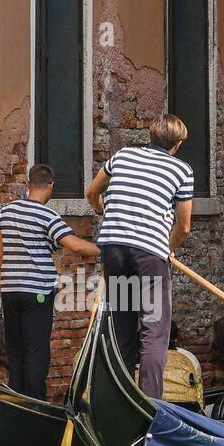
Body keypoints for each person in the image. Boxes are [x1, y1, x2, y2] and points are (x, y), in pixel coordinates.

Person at [85, 114, 194, 398]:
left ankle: (119, 400)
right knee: (154, 331)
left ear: (151, 135)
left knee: (122, 326)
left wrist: (102, 209)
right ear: (178, 144)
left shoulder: (122, 156)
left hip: (114, 251)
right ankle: (150, 407)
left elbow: (92, 192)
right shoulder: (181, 170)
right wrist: (167, 248)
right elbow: (183, 227)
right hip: (150, 256)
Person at [0, 164, 100, 400]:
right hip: (38, 292)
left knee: (15, 349)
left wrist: (11, 275)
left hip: (10, 289)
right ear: (51, 185)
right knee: (36, 350)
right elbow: (75, 245)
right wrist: (107, 250)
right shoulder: (48, 216)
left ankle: (16, 400)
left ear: (28, 183)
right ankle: (35, 403)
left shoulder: (6, 211)